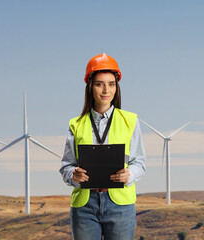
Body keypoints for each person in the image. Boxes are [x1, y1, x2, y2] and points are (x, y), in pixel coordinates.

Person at [59, 53, 146, 240]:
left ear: (117, 87)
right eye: (100, 84)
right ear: (90, 86)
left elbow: (139, 162)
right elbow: (66, 165)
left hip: (120, 205)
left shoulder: (131, 121)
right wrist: (73, 174)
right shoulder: (76, 124)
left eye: (111, 84)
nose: (106, 90)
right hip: (84, 206)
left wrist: (129, 175)